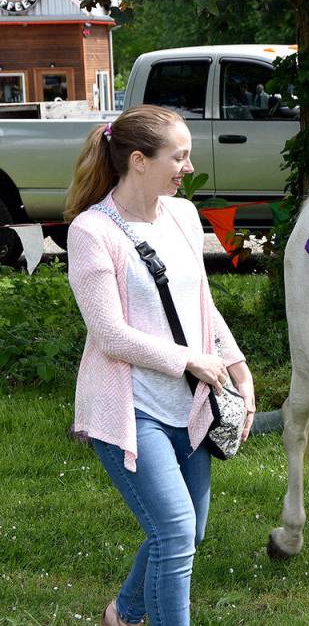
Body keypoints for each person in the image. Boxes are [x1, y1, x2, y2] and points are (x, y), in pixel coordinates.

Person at [64, 105, 257, 626]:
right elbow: (109, 335)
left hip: (190, 405)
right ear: (139, 161)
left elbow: (201, 305)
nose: (188, 168)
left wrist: (236, 364)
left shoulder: (184, 216)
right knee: (173, 531)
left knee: (189, 530)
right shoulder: (91, 232)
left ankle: (124, 613)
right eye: (180, 157)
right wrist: (189, 359)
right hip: (131, 411)